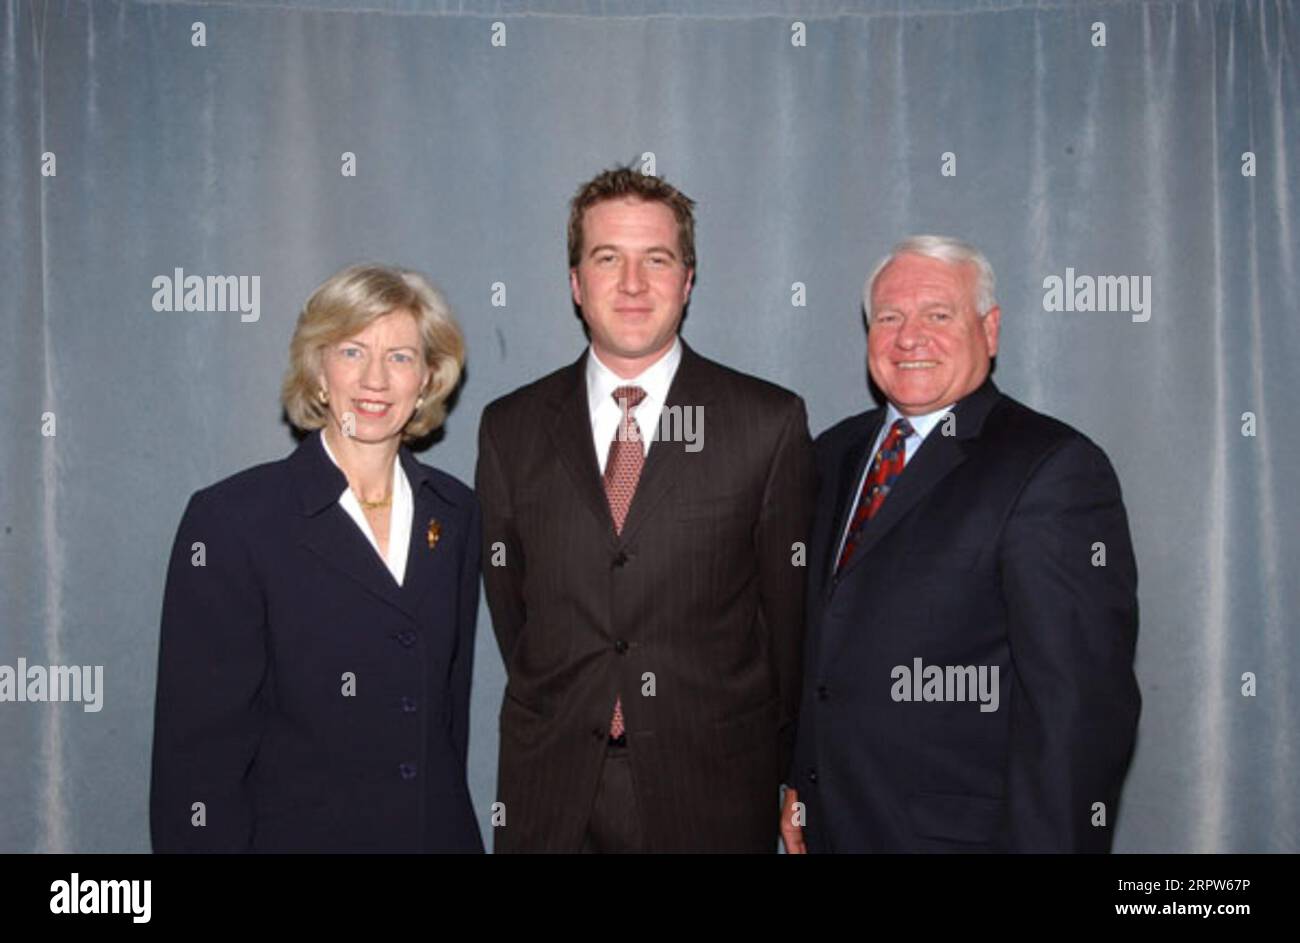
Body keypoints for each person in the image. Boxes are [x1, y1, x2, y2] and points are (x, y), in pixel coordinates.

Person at [476, 167, 814, 852]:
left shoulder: (767, 424)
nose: (632, 283)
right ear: (576, 282)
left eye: (656, 259)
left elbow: (787, 625)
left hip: (713, 794)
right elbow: (516, 615)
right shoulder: (509, 428)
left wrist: (792, 773)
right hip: (551, 793)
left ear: (687, 281)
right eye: (608, 258)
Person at [783, 236, 1140, 853]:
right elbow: (821, 645)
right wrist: (798, 781)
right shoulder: (831, 453)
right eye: (889, 317)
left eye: (938, 315)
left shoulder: (1052, 469)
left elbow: (1077, 712)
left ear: (990, 330)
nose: (909, 336)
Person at [150, 263, 483, 853]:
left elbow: (446, 726)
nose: (376, 379)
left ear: (429, 379)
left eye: (401, 356)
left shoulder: (454, 514)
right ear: (319, 370)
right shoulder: (233, 521)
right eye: (353, 351)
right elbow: (197, 761)